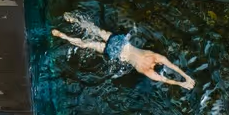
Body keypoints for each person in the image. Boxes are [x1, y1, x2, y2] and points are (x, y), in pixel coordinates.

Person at [51, 13, 196, 89]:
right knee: (86, 45)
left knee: (95, 29)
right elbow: (165, 80)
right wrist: (182, 83)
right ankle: (64, 36)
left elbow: (173, 66)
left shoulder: (154, 56)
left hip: (121, 42)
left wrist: (186, 76)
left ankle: (73, 20)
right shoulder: (146, 71)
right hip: (117, 53)